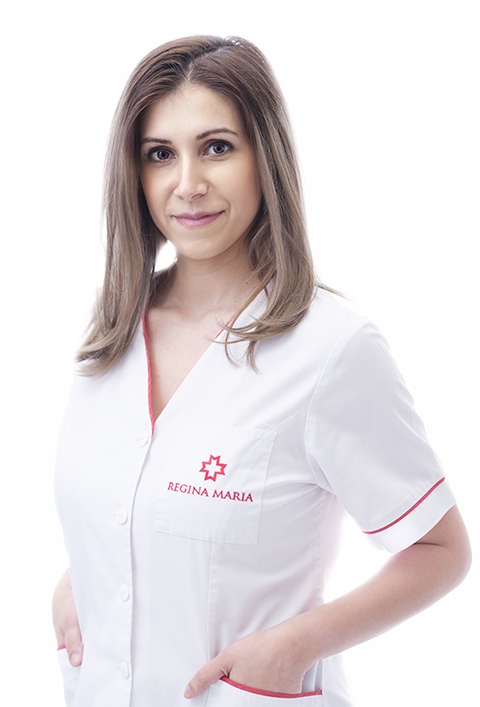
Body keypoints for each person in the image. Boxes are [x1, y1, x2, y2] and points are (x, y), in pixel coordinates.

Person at [52, 35, 471, 707]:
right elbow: (136, 493)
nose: (188, 183)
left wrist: (296, 644)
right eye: (160, 154)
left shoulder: (332, 347)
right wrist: (87, 572)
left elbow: (442, 550)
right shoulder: (103, 328)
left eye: (217, 147)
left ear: (264, 158)